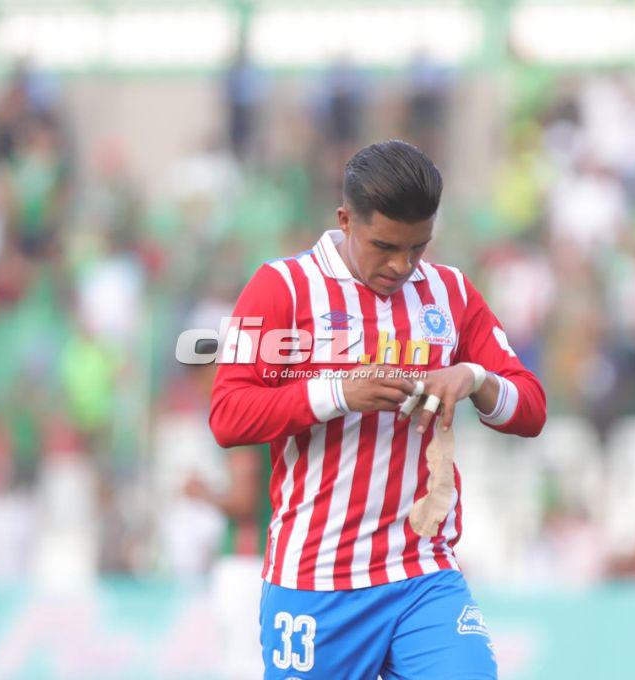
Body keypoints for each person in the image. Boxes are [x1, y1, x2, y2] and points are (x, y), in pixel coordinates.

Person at [209, 140, 546, 679]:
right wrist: (340, 393)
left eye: (418, 247)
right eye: (384, 245)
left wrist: (475, 378)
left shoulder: (450, 293)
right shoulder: (282, 289)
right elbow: (228, 415)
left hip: (421, 571)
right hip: (317, 580)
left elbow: (530, 409)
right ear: (345, 220)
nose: (401, 265)